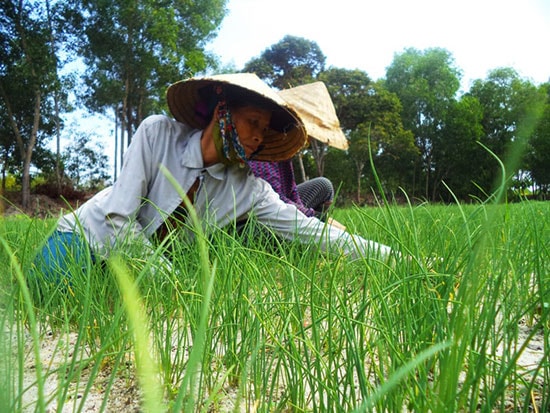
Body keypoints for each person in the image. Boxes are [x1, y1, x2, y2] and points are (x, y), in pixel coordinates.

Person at [32, 73, 392, 283]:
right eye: (253, 122)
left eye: (265, 130)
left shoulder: (249, 188)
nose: (258, 136)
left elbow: (312, 231)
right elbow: (116, 219)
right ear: (222, 112)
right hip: (85, 241)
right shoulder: (158, 135)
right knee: (42, 296)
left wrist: (394, 259)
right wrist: (171, 280)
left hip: (141, 268)